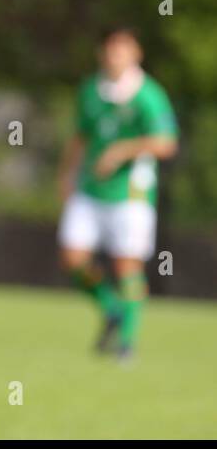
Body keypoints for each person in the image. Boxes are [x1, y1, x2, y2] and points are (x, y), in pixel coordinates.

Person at [56, 26, 178, 362]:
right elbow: (79, 137)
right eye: (110, 49)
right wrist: (66, 175)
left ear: (136, 54)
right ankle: (111, 309)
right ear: (102, 54)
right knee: (72, 258)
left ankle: (127, 342)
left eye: (123, 50)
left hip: (131, 194)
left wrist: (122, 150)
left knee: (127, 266)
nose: (115, 56)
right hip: (90, 191)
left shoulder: (148, 94)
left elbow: (166, 143)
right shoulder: (91, 91)